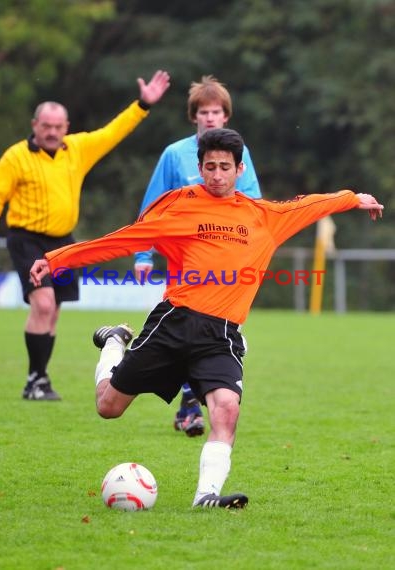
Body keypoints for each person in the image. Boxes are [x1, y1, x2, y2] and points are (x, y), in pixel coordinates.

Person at [29, 128, 383, 508]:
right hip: (175, 323)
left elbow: (310, 205)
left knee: (227, 407)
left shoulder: (263, 216)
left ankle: (206, 495)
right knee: (108, 407)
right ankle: (115, 341)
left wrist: (353, 198)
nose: (217, 175)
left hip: (222, 335)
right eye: (210, 167)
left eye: (224, 167)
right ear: (199, 168)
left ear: (239, 169)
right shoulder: (181, 206)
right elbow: (124, 239)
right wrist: (56, 259)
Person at [0, 70, 170, 401]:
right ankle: (35, 378)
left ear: (66, 127)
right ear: (34, 125)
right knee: (43, 304)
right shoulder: (16, 156)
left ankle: (39, 380)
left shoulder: (78, 149)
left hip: (63, 241)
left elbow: (113, 133)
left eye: (58, 127)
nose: (53, 132)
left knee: (53, 310)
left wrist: (143, 104)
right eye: (46, 126)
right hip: (26, 238)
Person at [134, 75, 262, 437]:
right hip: (185, 257)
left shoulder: (240, 154)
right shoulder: (176, 154)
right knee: (187, 325)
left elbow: (254, 204)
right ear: (194, 116)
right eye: (203, 111)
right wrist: (143, 254)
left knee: (214, 326)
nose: (210, 118)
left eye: (216, 111)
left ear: (226, 116)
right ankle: (191, 403)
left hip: (226, 256)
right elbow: (152, 206)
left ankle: (191, 402)